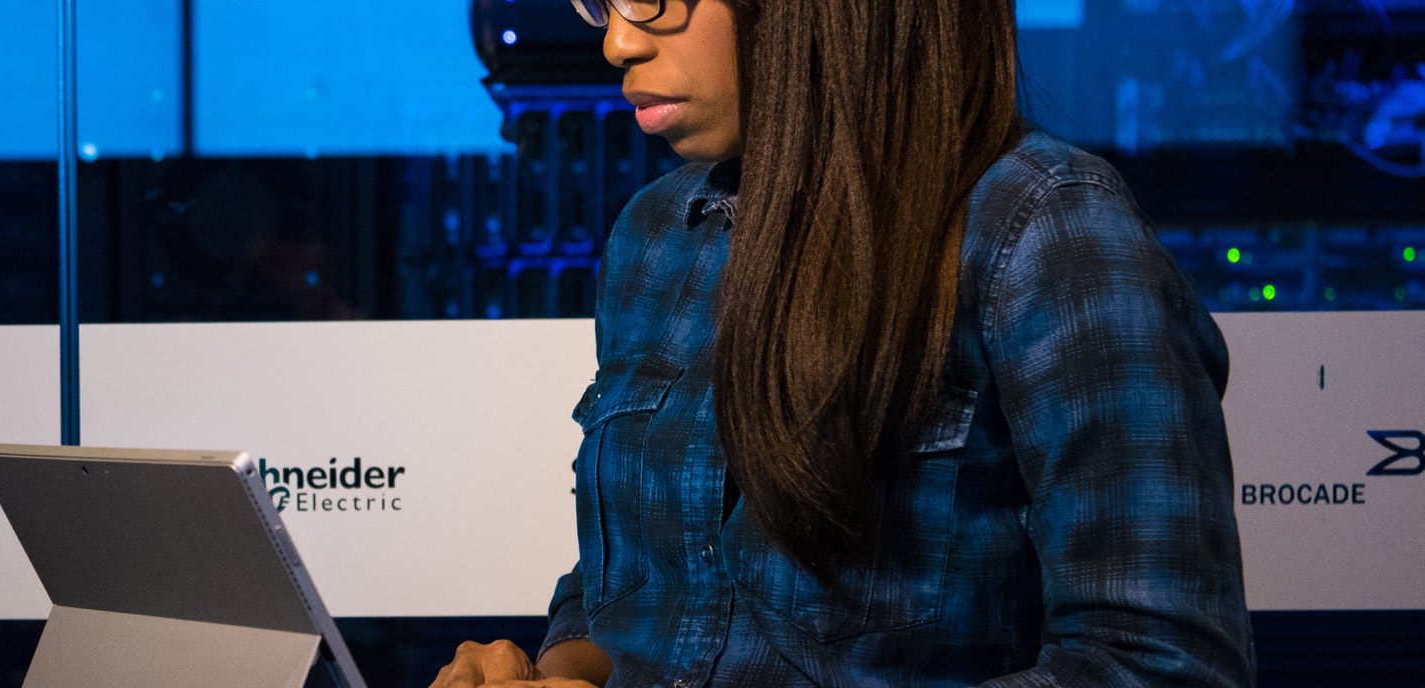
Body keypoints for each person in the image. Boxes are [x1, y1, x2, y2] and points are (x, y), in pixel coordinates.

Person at [431, 0, 1254, 685]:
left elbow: (1162, 664)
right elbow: (637, 594)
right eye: (602, 3)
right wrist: (556, 669)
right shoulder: (655, 233)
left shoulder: (1046, 227)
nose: (618, 42)